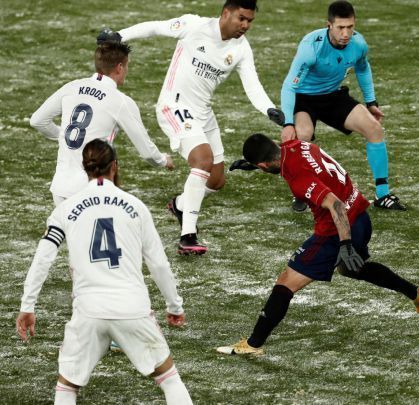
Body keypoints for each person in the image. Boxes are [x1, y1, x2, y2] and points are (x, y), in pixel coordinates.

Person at [216, 133, 419, 356]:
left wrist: (345, 244)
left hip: (337, 229)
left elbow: (336, 205)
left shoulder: (299, 178)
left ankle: (253, 344)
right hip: (361, 216)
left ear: (263, 164)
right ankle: (417, 294)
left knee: (286, 281)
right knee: (350, 268)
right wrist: (255, 166)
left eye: (259, 167)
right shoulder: (296, 145)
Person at [15, 139, 192, 405]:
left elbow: (43, 258)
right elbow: (158, 263)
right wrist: (174, 306)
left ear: (85, 169)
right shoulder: (136, 207)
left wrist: (27, 305)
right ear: (115, 166)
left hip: (89, 311)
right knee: (169, 379)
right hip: (132, 308)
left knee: (67, 387)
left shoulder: (65, 209)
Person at [100, 0, 284, 255]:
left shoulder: (241, 49)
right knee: (202, 160)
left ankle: (179, 204)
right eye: (241, 18)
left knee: (217, 180)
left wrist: (268, 109)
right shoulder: (193, 25)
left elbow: (252, 85)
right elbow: (155, 27)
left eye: (250, 21)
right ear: (226, 13)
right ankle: (188, 236)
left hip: (203, 113)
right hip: (174, 105)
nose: (245, 25)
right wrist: (120, 35)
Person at [277, 0, 405, 211]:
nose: (346, 33)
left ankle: (382, 194)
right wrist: (287, 122)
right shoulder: (311, 47)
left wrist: (371, 102)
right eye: (340, 28)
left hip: (333, 95)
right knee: (302, 136)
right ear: (329, 25)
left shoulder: (359, 44)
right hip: (304, 98)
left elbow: (363, 69)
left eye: (350, 27)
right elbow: (289, 87)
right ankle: (300, 193)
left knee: (374, 128)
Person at [30, 42, 173, 207]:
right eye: (127, 66)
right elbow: (147, 152)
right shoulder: (121, 101)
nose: (127, 70)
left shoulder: (71, 87)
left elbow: (37, 120)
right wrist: (163, 160)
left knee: (64, 232)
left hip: (60, 188)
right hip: (92, 190)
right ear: (119, 67)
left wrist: (64, 135)